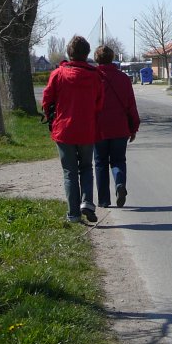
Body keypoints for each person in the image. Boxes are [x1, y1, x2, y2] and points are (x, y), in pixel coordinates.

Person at [42, 35, 104, 223]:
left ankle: (73, 214)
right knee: (86, 167)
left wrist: (49, 114)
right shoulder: (95, 76)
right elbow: (99, 103)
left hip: (64, 129)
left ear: (69, 53)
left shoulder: (58, 74)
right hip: (86, 129)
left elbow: (47, 99)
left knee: (69, 172)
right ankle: (87, 202)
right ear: (86, 54)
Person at [94, 45, 140, 208]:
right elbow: (131, 105)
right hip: (120, 128)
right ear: (112, 58)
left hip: (98, 129)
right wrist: (134, 127)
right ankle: (120, 184)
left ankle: (104, 200)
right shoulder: (123, 78)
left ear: (96, 59)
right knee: (118, 160)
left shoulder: (93, 78)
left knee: (100, 162)